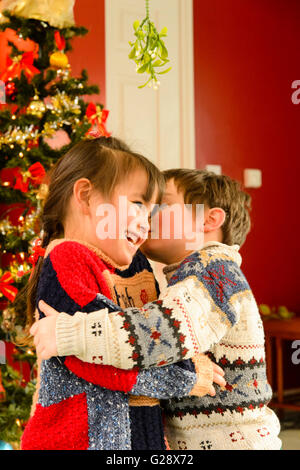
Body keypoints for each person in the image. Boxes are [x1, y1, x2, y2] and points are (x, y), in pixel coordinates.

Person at [33, 168, 282, 450]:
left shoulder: (216, 273)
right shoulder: (188, 277)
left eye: (162, 204)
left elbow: (155, 334)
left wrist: (69, 333)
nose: (147, 214)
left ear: (209, 219)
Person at [20, 139, 223, 450]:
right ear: (86, 196)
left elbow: (155, 336)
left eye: (153, 210)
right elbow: (97, 360)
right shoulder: (68, 259)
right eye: (138, 204)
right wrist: (186, 377)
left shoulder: (137, 265)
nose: (147, 223)